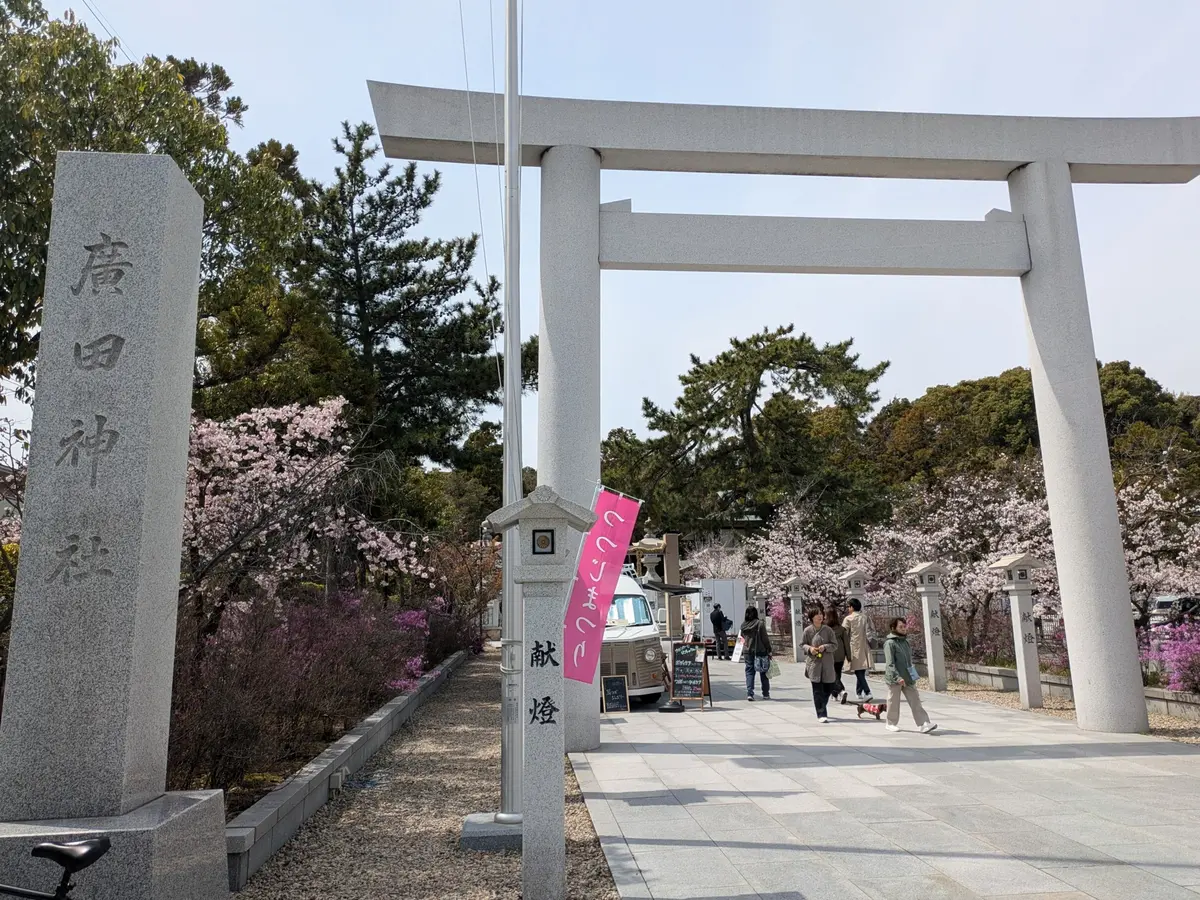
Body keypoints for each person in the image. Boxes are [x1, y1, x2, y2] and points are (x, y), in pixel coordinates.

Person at [883, 617, 937, 734]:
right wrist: (897, 677)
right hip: (895, 678)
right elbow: (890, 663)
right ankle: (890, 723)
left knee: (915, 700)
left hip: (908, 677)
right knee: (893, 701)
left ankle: (924, 723)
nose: (903, 629)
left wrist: (912, 675)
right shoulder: (890, 643)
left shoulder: (905, 642)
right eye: (900, 627)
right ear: (893, 628)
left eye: (904, 626)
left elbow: (908, 661)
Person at [801, 607, 838, 722]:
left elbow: (835, 645)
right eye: (817, 614)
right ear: (812, 617)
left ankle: (822, 705)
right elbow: (802, 644)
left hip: (827, 663)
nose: (820, 616)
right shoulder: (807, 631)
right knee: (817, 689)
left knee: (828, 687)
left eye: (821, 614)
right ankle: (821, 713)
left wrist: (825, 647)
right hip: (814, 664)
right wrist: (810, 648)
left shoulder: (828, 630)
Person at [843, 598, 873, 701]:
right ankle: (859, 692)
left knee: (858, 671)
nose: (848, 608)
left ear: (851, 607)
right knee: (861, 670)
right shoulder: (865, 617)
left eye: (848, 606)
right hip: (864, 647)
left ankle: (867, 691)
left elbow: (844, 634)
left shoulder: (848, 619)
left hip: (853, 647)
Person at [740, 607, 772, 700]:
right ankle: (765, 693)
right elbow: (765, 638)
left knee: (749, 672)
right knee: (764, 672)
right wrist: (769, 649)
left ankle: (750, 693)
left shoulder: (743, 625)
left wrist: (746, 644)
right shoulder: (760, 624)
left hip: (747, 651)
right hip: (760, 650)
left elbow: (741, 638)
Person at [825, 604, 852, 703]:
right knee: (837, 674)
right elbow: (846, 643)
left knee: (832, 676)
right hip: (840, 655)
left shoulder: (825, 629)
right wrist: (849, 656)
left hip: (829, 655)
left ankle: (841, 690)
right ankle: (835, 694)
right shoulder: (841, 629)